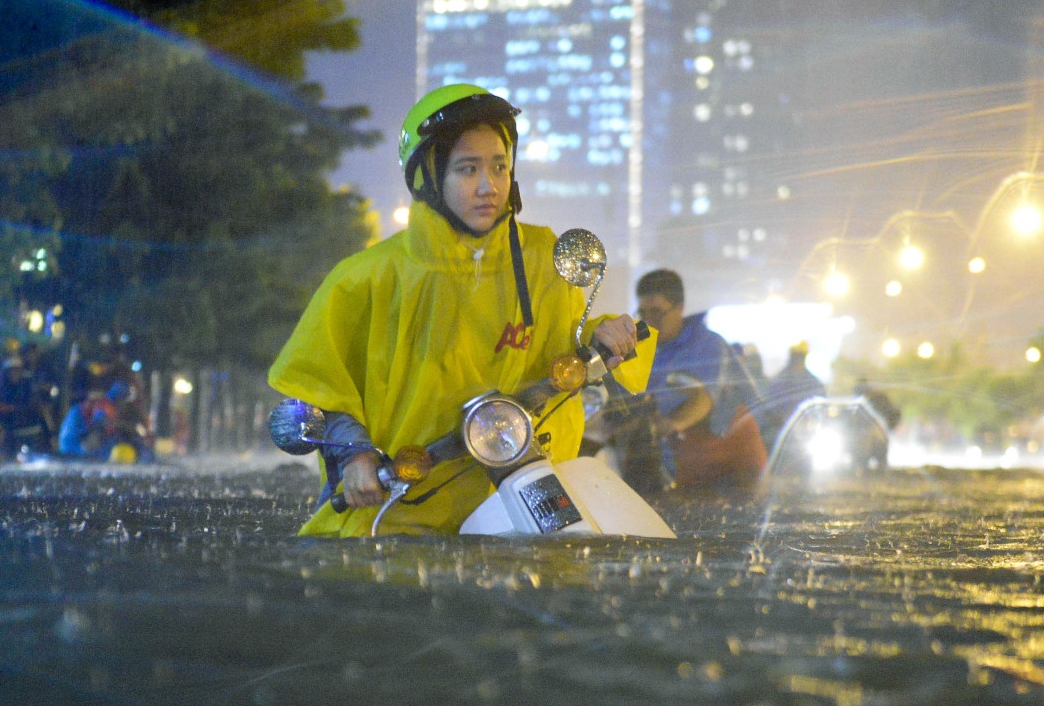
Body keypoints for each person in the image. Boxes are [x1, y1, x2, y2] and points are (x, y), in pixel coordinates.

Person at [267, 83, 651, 537]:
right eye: (468, 169)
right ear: (429, 177)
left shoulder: (544, 258)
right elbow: (319, 386)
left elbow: (573, 336)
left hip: (525, 493)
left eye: (500, 166)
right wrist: (355, 456)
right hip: (403, 510)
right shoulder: (365, 278)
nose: (489, 186)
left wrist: (610, 336)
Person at [622, 269, 767, 493]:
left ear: (680, 308)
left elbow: (703, 400)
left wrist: (668, 425)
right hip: (688, 464)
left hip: (733, 467)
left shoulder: (708, 345)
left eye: (657, 312)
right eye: (643, 313)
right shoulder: (644, 350)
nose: (649, 321)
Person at [761, 341, 826, 448]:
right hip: (781, 437)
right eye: (796, 355)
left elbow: (821, 411)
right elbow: (770, 411)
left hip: (807, 440)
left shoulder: (813, 383)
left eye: (800, 356)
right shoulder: (779, 381)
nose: (798, 360)